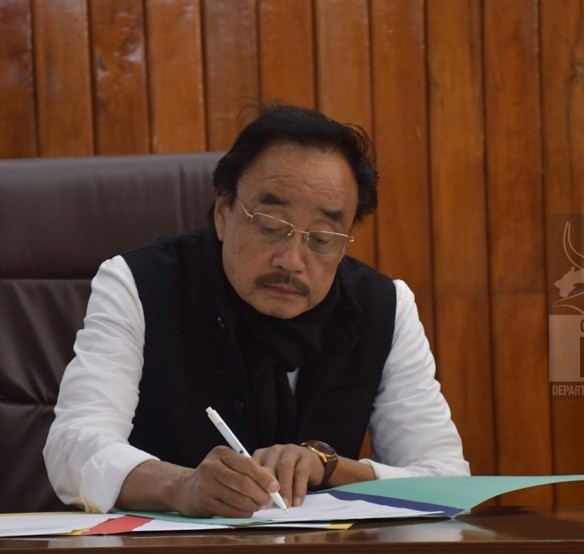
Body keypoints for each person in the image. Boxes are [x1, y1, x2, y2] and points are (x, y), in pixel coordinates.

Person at [45, 106, 468, 517]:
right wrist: (181, 486)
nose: (291, 259)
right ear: (224, 212)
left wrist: (330, 467)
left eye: (321, 239)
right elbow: (74, 446)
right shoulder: (139, 284)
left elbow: (447, 480)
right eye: (270, 226)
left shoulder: (384, 307)